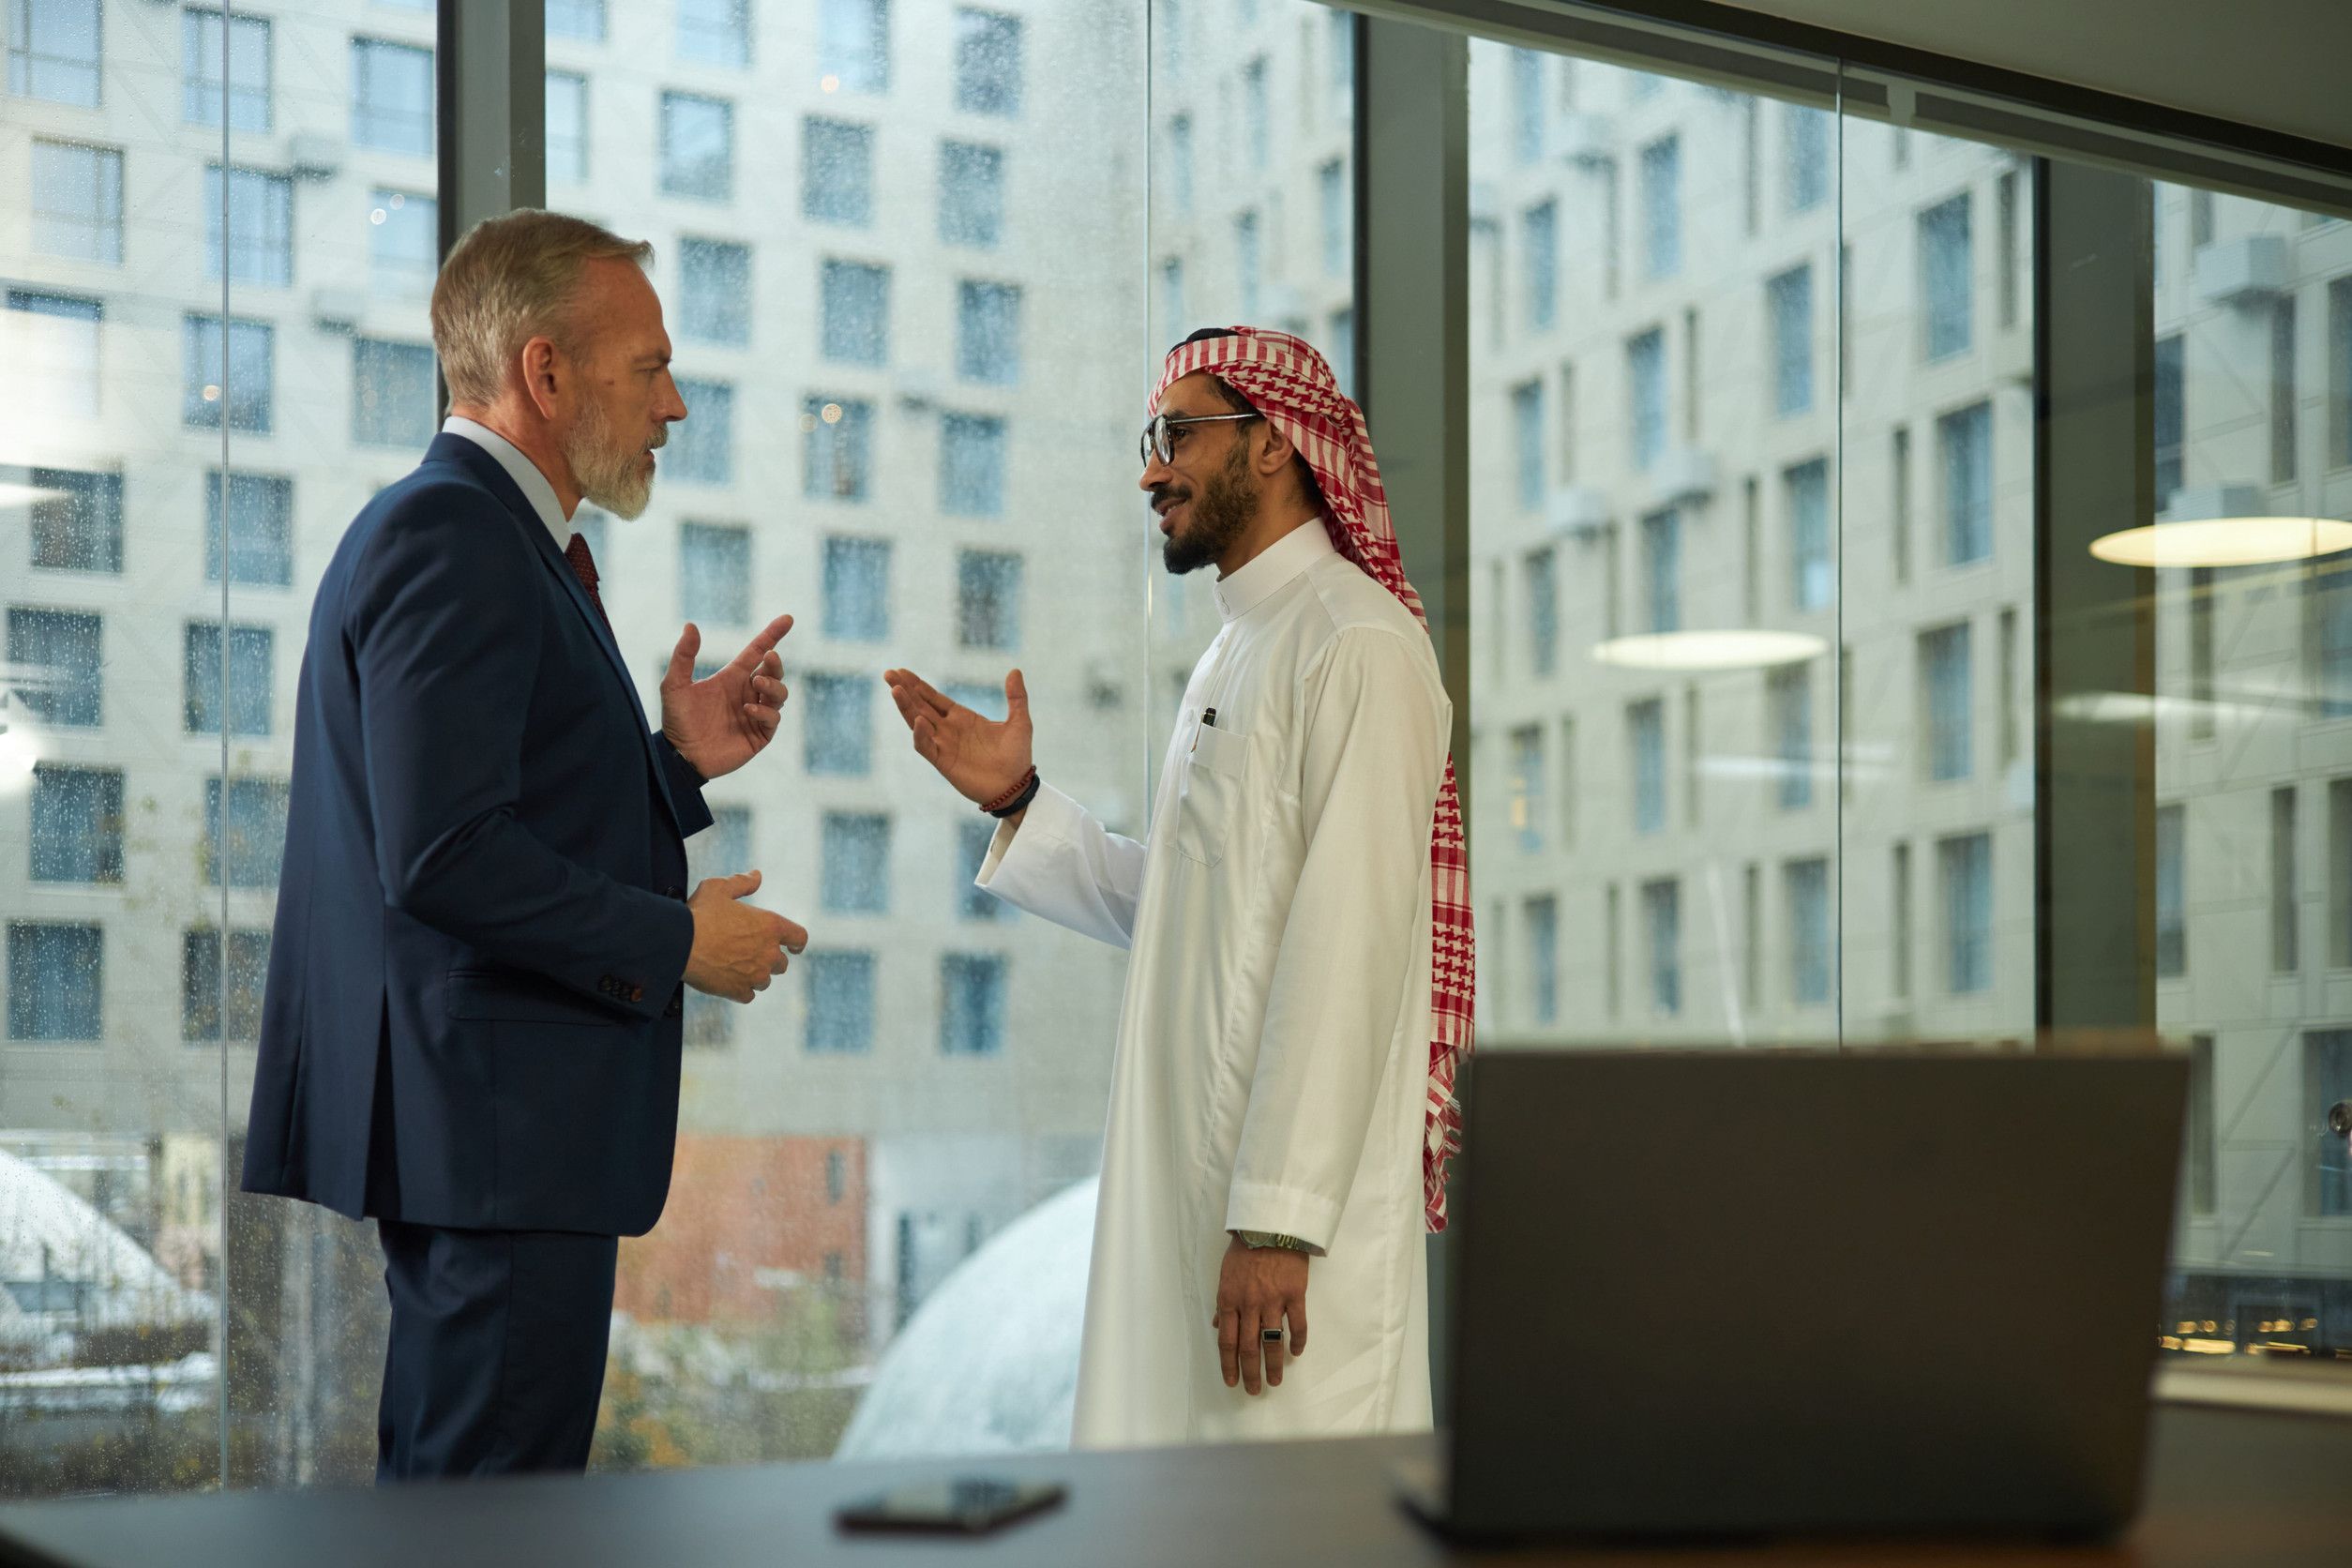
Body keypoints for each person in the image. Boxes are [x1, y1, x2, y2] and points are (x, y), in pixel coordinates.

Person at [240, 211, 807, 1482]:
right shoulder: (454, 538)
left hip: (494, 1139)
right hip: (495, 1141)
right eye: (648, 367)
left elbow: (486, 811)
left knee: (473, 1503)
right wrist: (680, 943)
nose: (675, 403)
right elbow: (444, 856)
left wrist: (673, 762)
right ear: (545, 373)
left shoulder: (489, 540)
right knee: (484, 1520)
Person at [884, 326, 1474, 1447]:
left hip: (1283, 1247)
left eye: (1176, 435)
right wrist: (1020, 803)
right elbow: (1201, 916)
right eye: (1147, 439)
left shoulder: (1358, 645)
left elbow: (1346, 950)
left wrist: (1281, 1221)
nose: (1151, 468)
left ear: (1274, 443)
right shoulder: (1233, 651)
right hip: (1196, 1208)